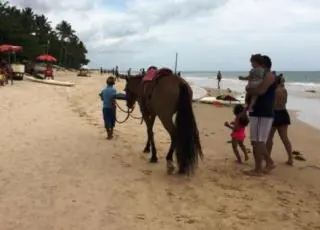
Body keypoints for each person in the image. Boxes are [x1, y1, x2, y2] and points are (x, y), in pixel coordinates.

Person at [245, 54, 277, 176]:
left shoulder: (269, 76)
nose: (253, 66)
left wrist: (248, 89)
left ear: (263, 65)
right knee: (255, 141)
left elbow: (260, 91)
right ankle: (258, 167)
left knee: (259, 141)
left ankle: (268, 163)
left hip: (264, 112)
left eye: (256, 64)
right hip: (256, 111)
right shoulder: (261, 75)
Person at [266, 75, 293, 166]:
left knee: (269, 137)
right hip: (283, 113)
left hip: (274, 114)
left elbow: (272, 104)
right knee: (285, 138)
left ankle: (268, 156)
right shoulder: (284, 90)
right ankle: (290, 158)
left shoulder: (274, 91)